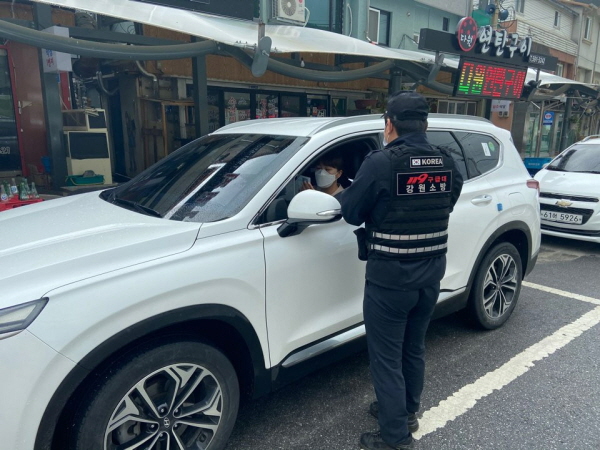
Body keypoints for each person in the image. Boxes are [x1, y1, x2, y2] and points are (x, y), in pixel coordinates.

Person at [339, 91, 463, 450]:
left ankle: (395, 438)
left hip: (390, 281)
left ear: (389, 124)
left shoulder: (381, 163)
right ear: (425, 124)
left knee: (386, 358)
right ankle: (406, 413)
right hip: (430, 276)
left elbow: (351, 213)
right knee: (413, 348)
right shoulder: (446, 160)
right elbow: (450, 200)